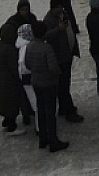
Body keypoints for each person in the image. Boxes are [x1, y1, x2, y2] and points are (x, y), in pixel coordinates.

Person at [24, 22, 68, 152]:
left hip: (36, 82)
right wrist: (58, 74)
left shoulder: (30, 46)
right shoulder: (47, 48)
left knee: (41, 110)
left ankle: (43, 139)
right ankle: (53, 140)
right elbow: (53, 67)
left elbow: (27, 64)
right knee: (50, 112)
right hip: (48, 83)